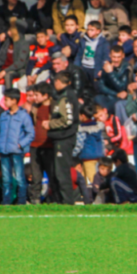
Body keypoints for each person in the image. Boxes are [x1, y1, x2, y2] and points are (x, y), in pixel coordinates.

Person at [0, 87, 35, 205]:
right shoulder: (3, 115)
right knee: (6, 179)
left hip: (17, 152)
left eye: (7, 99)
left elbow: (30, 134)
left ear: (14, 100)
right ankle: (6, 203)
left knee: (19, 178)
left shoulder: (24, 116)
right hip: (4, 151)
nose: (4, 102)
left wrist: (20, 144)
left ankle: (21, 202)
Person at [47, 71, 80, 205]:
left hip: (64, 138)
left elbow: (67, 120)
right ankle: (61, 201)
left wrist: (50, 124)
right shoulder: (64, 95)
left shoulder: (66, 97)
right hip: (61, 138)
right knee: (59, 171)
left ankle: (67, 202)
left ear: (58, 82)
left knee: (62, 172)